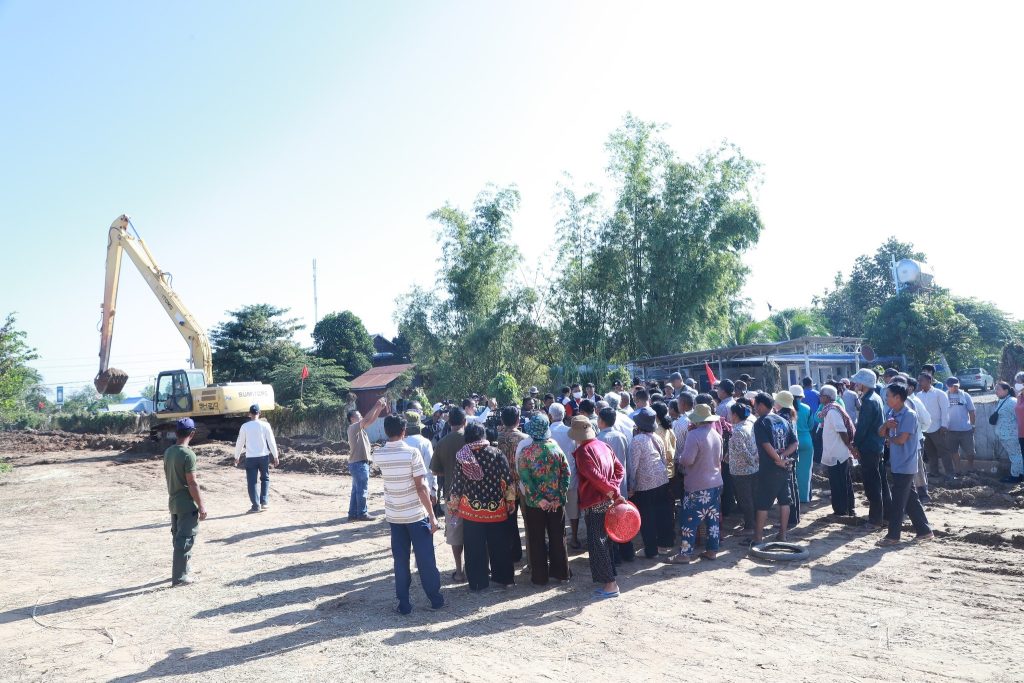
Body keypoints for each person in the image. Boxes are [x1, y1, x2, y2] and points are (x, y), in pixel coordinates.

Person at [374, 414, 444, 613]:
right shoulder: (412, 453)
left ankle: (403, 603)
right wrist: (432, 516)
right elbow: (421, 487)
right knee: (425, 559)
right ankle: (435, 599)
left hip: (394, 515)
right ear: (404, 431)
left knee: (400, 561)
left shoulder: (379, 454)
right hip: (415, 514)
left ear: (385, 431)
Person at [448, 423, 515, 591]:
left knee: (474, 547)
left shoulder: (463, 455)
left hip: (472, 511)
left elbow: (457, 484)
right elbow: (507, 480)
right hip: (496, 508)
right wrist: (510, 502)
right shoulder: (496, 453)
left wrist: (453, 506)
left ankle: (478, 583)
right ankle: (504, 578)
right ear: (483, 435)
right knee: (499, 545)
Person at [569, 415, 626, 598]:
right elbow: (620, 469)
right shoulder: (603, 445)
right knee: (605, 542)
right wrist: (614, 489)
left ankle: (610, 584)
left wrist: (612, 492)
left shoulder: (583, 452)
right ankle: (610, 580)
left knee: (598, 543)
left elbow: (595, 477)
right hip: (608, 500)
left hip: (595, 502)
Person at [876, 383, 933, 546]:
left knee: (898, 502)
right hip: (897, 463)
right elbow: (880, 432)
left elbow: (901, 439)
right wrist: (886, 426)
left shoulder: (909, 415)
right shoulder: (891, 413)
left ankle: (893, 536)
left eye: (888, 395)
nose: (886, 398)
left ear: (898, 397)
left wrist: (889, 438)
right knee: (910, 499)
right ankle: (924, 531)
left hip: (906, 464)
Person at [517, 414, 572, 585]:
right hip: (556, 503)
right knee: (558, 536)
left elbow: (525, 479)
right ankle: (562, 574)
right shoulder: (556, 449)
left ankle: (540, 577)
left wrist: (539, 499)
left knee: (536, 539)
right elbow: (566, 474)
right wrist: (558, 497)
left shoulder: (525, 453)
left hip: (534, 504)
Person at [669, 404, 724, 563]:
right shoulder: (716, 434)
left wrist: (679, 458)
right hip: (715, 483)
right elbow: (719, 457)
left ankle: (685, 554)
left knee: (689, 520)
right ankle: (712, 550)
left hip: (697, 485)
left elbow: (687, 460)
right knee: (712, 519)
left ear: (697, 420)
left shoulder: (693, 435)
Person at [164, 418, 208, 586]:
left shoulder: (169, 452)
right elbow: (192, 483)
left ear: (176, 433)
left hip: (174, 502)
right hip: (186, 504)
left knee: (178, 538)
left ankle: (183, 569)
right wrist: (201, 505)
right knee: (185, 540)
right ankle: (180, 577)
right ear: (192, 433)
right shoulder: (188, 454)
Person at [752, 392, 799, 545]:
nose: (754, 409)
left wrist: (778, 459)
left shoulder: (761, 422)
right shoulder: (783, 420)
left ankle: (758, 538)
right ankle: (783, 535)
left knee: (763, 504)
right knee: (785, 501)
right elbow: (794, 443)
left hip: (769, 469)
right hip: (784, 468)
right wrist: (783, 457)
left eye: (755, 405)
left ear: (760, 405)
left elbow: (766, 445)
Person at [628, 407, 674, 558]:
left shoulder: (637, 441)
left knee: (647, 518)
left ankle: (651, 550)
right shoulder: (657, 437)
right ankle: (664, 545)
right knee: (662, 514)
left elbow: (633, 466)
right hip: (662, 480)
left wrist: (631, 486)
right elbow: (663, 459)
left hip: (645, 485)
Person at [851, 369, 890, 529]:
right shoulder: (876, 397)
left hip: (869, 447)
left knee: (872, 484)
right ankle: (886, 516)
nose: (855, 384)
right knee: (881, 482)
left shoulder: (868, 401)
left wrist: (855, 444)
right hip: (877, 446)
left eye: (858, 382)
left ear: (864, 383)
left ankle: (875, 520)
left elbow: (863, 427)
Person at [597, 407, 633, 563]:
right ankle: (628, 553)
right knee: (623, 519)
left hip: (607, 488)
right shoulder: (622, 436)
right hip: (622, 484)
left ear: (601, 421)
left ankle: (615, 556)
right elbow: (628, 462)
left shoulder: (598, 439)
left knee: (609, 521)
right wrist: (631, 483)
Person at [346, 397, 389, 522]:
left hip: (357, 463)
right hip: (359, 463)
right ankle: (362, 513)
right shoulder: (353, 428)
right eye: (358, 416)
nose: (361, 417)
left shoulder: (359, 429)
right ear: (352, 419)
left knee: (356, 490)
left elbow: (371, 420)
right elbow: (366, 419)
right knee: (362, 490)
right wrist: (376, 405)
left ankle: (353, 513)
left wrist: (379, 408)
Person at [495, 406, 528, 564]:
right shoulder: (525, 439)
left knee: (510, 521)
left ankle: (513, 553)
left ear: (502, 420)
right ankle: (532, 555)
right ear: (518, 420)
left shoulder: (497, 439)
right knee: (528, 521)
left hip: (505, 486)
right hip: (523, 485)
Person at [818, 386, 857, 517]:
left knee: (839, 482)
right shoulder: (830, 409)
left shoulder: (832, 411)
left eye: (821, 395)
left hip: (838, 453)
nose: (820, 398)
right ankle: (847, 508)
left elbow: (842, 430)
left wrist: (849, 446)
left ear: (826, 397)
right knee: (841, 481)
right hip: (835, 452)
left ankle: (843, 510)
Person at [233, 404, 280, 513]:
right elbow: (271, 441)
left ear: (249, 414)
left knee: (252, 482)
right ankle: (264, 502)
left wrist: (237, 456)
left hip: (251, 458)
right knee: (265, 479)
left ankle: (255, 506)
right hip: (263, 456)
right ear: (259, 413)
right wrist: (275, 456)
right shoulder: (265, 425)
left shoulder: (245, 426)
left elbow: (240, 442)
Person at [548, 403, 582, 550]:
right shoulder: (570, 432)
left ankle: (557, 540)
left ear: (550, 416)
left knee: (554, 510)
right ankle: (574, 538)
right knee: (573, 509)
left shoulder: (547, 432)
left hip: (551, 479)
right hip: (571, 475)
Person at [917, 372, 955, 483]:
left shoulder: (939, 393)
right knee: (930, 452)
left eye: (921, 380)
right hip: (924, 428)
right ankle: (934, 472)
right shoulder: (918, 395)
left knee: (944, 451)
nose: (919, 382)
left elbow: (945, 411)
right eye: (919, 380)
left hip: (938, 427)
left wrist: (944, 425)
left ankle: (950, 473)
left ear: (929, 381)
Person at [726, 402, 758, 533]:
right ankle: (753, 522)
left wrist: (751, 462)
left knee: (745, 499)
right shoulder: (749, 425)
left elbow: (743, 452)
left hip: (742, 470)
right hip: (752, 468)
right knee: (751, 497)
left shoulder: (737, 431)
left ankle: (750, 526)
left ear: (735, 415)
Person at [904, 377, 932, 503]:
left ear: (910, 388)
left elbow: (926, 420)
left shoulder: (915, 401)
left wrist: (919, 431)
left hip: (916, 439)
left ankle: (923, 495)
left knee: (918, 468)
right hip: (905, 439)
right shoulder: (901, 401)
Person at [403, 412, 437, 509]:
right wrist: (433, 490)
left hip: (404, 490)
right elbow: (430, 468)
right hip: (422, 488)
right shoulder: (425, 442)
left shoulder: (400, 442)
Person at [944, 377, 977, 474]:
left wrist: (973, 425)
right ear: (947, 386)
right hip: (950, 430)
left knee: (970, 451)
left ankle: (970, 468)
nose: (955, 388)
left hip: (965, 429)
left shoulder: (965, 395)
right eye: (952, 386)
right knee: (953, 451)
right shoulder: (944, 396)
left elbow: (972, 411)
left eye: (956, 386)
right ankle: (958, 470)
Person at [992, 382, 1023, 483]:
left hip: (1011, 435)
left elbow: (1019, 417)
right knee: (1014, 455)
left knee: (1015, 455)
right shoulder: (1003, 401)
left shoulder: (1012, 402)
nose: (996, 391)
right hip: (1006, 435)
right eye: (995, 389)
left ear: (1006, 390)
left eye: (998, 389)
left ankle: (1016, 477)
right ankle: (1019, 474)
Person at [790, 386, 815, 505]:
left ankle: (793, 496)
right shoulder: (807, 408)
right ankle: (804, 497)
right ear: (801, 396)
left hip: (791, 443)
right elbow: (811, 425)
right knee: (806, 471)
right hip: (806, 440)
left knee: (792, 471)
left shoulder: (787, 409)